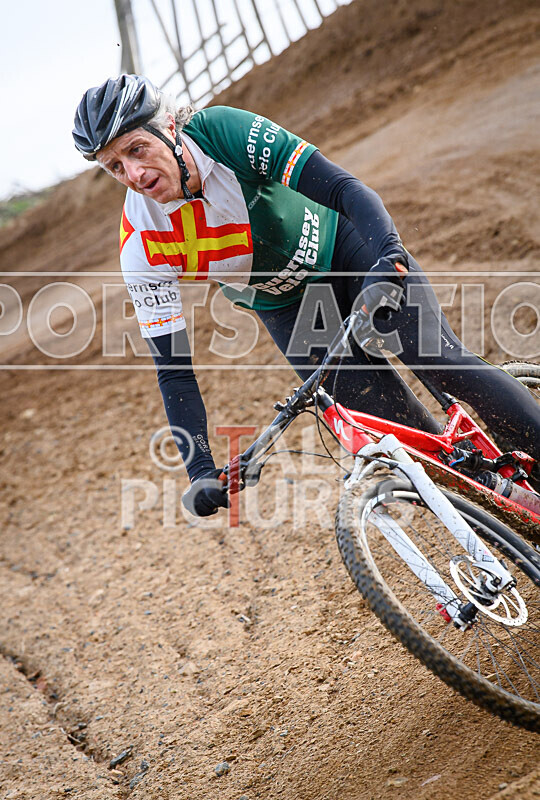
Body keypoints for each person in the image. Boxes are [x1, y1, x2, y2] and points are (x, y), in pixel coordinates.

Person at [73, 74, 540, 516]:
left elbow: (342, 187)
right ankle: (511, 515)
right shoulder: (141, 242)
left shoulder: (222, 133)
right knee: (400, 438)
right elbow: (173, 371)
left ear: (169, 126)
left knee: (443, 363)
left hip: (347, 248)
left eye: (137, 148)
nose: (133, 173)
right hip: (290, 308)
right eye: (115, 166)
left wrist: (389, 256)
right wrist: (198, 470)